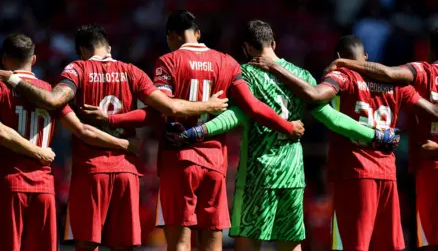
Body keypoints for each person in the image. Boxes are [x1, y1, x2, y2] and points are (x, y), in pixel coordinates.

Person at [163, 20, 401, 251]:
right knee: (291, 243)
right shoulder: (303, 76)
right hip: (293, 173)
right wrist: (375, 135)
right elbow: (332, 118)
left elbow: (236, 116)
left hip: (258, 173)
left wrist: (197, 132)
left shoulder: (245, 74)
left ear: (246, 48)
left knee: (248, 240)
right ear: (274, 44)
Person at [79, 11, 304, 251]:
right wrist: (288, 126)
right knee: (212, 240)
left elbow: (157, 110)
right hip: (215, 161)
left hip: (180, 160)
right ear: (197, 34)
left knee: (180, 242)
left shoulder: (168, 61)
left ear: (171, 36)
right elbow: (252, 107)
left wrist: (113, 119)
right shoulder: (227, 62)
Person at [0, 25, 227, 251]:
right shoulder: (132, 71)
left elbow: (58, 104)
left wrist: (12, 79)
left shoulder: (77, 68)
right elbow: (163, 109)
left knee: (87, 244)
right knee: (124, 245)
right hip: (126, 171)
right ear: (108, 47)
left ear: (81, 51)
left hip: (90, 171)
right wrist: (208, 105)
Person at [250, 35, 438, 251]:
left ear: (339, 56)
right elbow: (436, 111)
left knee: (352, 244)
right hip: (387, 175)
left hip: (354, 172)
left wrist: (275, 67)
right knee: (385, 245)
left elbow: (315, 95)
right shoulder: (396, 84)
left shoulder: (343, 76)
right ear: (365, 56)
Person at [327, 26, 438, 251]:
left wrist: (345, 64)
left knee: (437, 245)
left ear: (430, 49)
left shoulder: (423, 70)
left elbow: (388, 74)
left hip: (435, 168)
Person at [0, 34, 141, 251]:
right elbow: (83, 130)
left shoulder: (2, 88)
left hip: (8, 184)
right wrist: (123, 144)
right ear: (34, 59)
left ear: (4, 59)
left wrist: (35, 151)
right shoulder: (48, 90)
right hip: (44, 190)